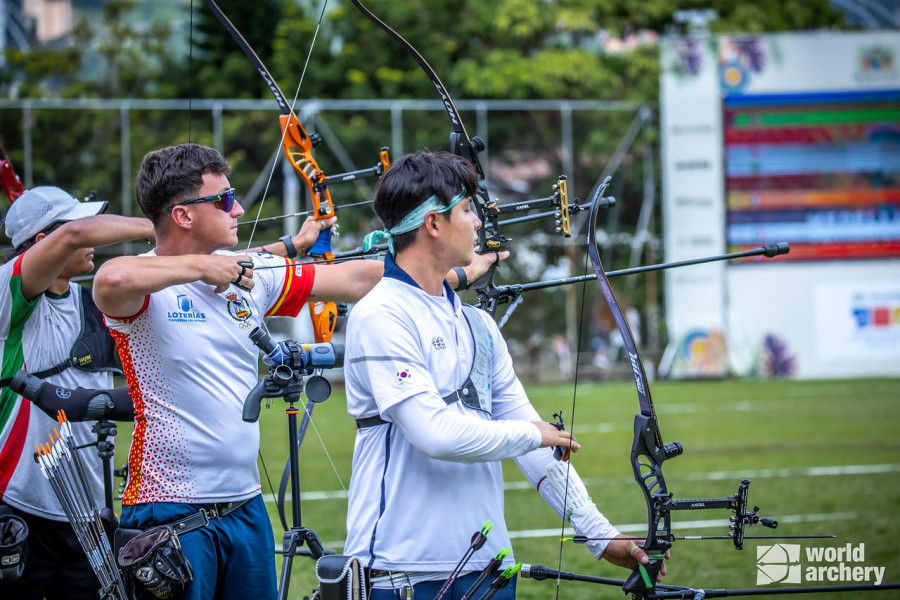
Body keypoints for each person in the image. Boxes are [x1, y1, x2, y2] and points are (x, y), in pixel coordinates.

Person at [91, 142, 504, 600]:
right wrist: (204, 268)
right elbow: (110, 281)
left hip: (244, 505)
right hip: (166, 507)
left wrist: (454, 270)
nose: (239, 208)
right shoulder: (144, 286)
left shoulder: (248, 277)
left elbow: (358, 278)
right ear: (183, 215)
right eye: (225, 199)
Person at [343, 151, 668, 599]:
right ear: (433, 224)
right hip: (401, 572)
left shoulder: (479, 325)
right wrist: (532, 434)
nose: (477, 222)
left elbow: (535, 444)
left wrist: (598, 533)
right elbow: (435, 435)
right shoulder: (380, 315)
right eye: (466, 210)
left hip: (488, 567)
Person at [0, 186, 154, 599]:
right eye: (79, 227)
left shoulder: (94, 303)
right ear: (41, 243)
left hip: (90, 513)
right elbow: (71, 236)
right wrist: (160, 227)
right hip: (19, 507)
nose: (89, 239)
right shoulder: (7, 296)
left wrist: (291, 246)